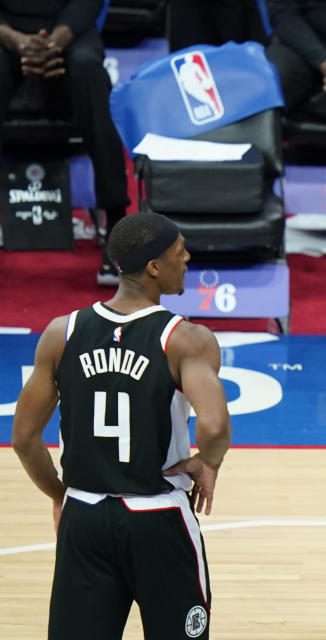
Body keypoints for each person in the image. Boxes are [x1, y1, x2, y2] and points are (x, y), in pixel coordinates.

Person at [11, 212, 232, 639]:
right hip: (159, 519)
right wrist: (207, 461)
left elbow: (23, 438)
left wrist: (62, 496)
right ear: (153, 267)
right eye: (178, 250)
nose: (187, 256)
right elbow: (216, 426)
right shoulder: (187, 339)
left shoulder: (62, 333)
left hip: (85, 519)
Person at [0, 0, 130, 285]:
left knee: (89, 70)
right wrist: (17, 40)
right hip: (5, 33)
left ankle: (117, 223)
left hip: (71, 32)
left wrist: (53, 43)